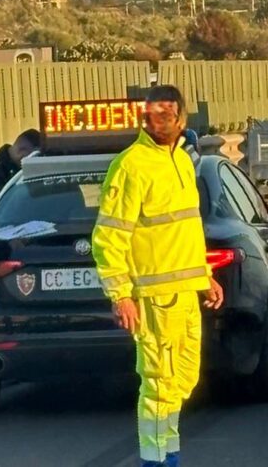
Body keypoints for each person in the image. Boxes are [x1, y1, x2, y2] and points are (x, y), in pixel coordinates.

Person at [91, 86, 224, 467]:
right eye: (150, 115)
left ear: (181, 118)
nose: (157, 122)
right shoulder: (131, 166)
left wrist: (205, 277)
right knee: (158, 386)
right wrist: (121, 295)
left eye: (165, 114)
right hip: (154, 299)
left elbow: (185, 230)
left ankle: (168, 453)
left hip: (185, 295)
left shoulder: (182, 162)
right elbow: (109, 236)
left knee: (182, 382)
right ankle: (157, 460)